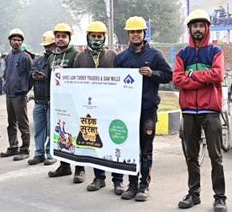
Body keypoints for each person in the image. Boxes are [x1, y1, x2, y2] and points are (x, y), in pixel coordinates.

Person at [173, 9, 227, 211]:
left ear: (207, 28)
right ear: (189, 29)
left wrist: (191, 76)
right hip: (188, 111)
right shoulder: (182, 54)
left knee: (216, 156)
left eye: (201, 25)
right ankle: (193, 194)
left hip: (211, 111)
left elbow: (218, 75)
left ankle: (220, 197)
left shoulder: (215, 52)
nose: (198, 29)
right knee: (191, 156)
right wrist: (201, 78)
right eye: (194, 26)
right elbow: (177, 79)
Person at [114, 16, 172, 202]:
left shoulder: (155, 55)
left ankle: (144, 186)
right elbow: (114, 81)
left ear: (144, 33)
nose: (135, 35)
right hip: (128, 111)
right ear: (128, 34)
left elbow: (168, 75)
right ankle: (131, 185)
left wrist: (153, 73)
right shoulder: (121, 57)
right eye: (132, 32)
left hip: (147, 110)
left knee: (146, 150)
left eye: (138, 31)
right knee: (130, 149)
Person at [74, 21, 124, 194]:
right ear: (88, 37)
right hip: (90, 108)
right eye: (93, 36)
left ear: (104, 37)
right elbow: (74, 81)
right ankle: (99, 178)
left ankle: (118, 181)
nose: (96, 39)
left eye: (99, 36)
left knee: (113, 142)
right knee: (95, 143)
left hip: (110, 107)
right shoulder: (80, 58)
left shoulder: (113, 55)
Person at [46, 23, 85, 183]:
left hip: (74, 102)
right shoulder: (51, 57)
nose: (61, 39)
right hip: (58, 103)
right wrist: (50, 99)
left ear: (69, 38)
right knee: (61, 134)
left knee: (75, 134)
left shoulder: (76, 55)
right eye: (58, 36)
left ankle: (79, 169)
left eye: (64, 36)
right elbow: (50, 80)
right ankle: (64, 165)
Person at [0, 28, 33, 161]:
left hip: (20, 95)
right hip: (9, 94)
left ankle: (25, 149)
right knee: (11, 122)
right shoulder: (8, 57)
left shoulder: (25, 57)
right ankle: (13, 147)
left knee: (23, 123)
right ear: (10, 41)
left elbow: (31, 75)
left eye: (19, 40)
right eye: (14, 40)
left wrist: (24, 89)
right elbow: (6, 73)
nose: (16, 42)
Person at [27, 31, 58, 166]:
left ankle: (50, 154)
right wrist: (34, 75)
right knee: (39, 129)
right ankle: (39, 153)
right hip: (39, 100)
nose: (47, 48)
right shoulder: (38, 60)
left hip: (52, 101)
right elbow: (31, 73)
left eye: (49, 45)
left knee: (52, 129)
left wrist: (46, 77)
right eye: (46, 46)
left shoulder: (58, 59)